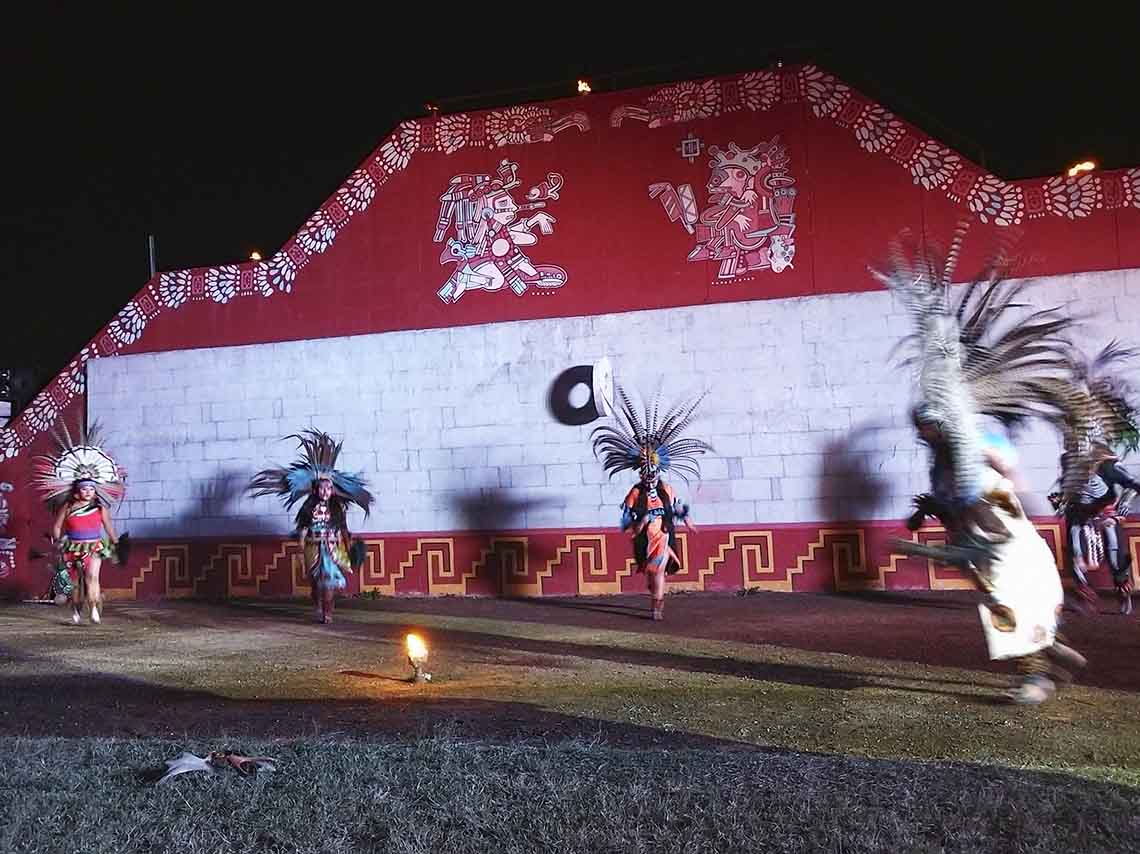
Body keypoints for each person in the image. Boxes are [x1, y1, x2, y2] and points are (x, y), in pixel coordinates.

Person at [591, 384, 711, 621]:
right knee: (651, 575)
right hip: (645, 539)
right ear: (640, 473)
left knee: (658, 572)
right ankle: (655, 595)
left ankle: (657, 606)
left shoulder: (666, 489)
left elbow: (677, 506)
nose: (650, 476)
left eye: (653, 471)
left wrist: (687, 521)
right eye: (646, 472)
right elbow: (627, 520)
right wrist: (640, 522)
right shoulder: (635, 493)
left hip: (664, 538)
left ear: (659, 469)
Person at [249, 430, 372, 624]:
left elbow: (343, 529)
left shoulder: (337, 509)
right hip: (313, 548)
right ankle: (318, 602)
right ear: (316, 489)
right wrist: (301, 540)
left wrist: (350, 546)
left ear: (333, 490)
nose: (325, 491)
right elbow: (303, 528)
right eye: (322, 487)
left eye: (329, 487)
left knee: (330, 582)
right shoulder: (308, 507)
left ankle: (328, 612)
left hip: (333, 549)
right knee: (316, 583)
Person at [31, 421, 129, 624]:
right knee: (76, 583)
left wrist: (116, 542)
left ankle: (94, 610)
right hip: (72, 546)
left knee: (93, 578)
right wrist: (58, 542)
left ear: (95, 491)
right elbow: (57, 526)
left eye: (91, 489)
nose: (88, 492)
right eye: (84, 489)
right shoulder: (67, 507)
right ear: (77, 491)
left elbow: (108, 527)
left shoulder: (100, 508)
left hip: (94, 546)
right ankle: (76, 610)